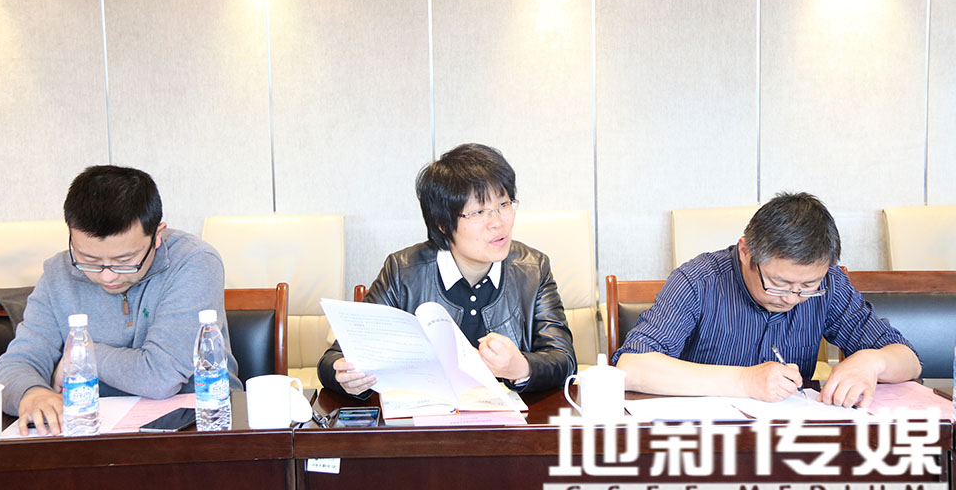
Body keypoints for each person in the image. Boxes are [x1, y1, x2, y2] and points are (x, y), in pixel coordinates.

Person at [613, 192, 920, 408]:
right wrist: (744, 381)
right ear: (746, 251)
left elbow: (909, 359)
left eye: (808, 285)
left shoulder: (830, 284)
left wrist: (872, 362)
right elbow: (632, 366)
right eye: (779, 283)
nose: (792, 298)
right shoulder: (698, 281)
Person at [0, 165, 240, 435]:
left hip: (196, 427)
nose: (107, 276)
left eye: (125, 260)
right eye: (89, 259)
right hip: (90, 431)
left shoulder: (194, 262)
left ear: (157, 235)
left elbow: (160, 376)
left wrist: (80, 357)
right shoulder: (58, 273)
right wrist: (31, 393)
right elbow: (15, 365)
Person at [318, 143, 576, 397]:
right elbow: (334, 358)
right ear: (443, 223)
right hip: (424, 417)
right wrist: (345, 377)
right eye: (479, 212)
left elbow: (564, 358)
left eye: (504, 204)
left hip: (510, 420)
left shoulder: (533, 269)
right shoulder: (402, 271)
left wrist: (522, 368)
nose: (498, 222)